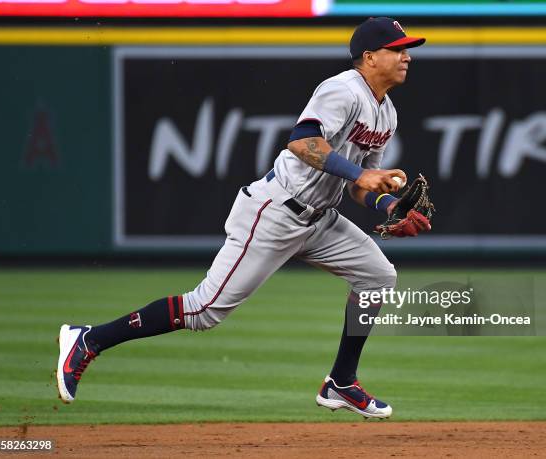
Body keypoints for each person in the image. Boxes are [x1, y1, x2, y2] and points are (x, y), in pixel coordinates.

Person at [56, 17, 428, 419]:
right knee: (203, 311)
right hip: (275, 211)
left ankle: (341, 382)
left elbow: (362, 186)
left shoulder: (386, 113)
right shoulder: (343, 89)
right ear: (370, 57)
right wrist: (361, 175)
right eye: (398, 49)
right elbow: (302, 142)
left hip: (320, 219)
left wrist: (389, 206)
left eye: (407, 49)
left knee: (378, 277)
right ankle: (89, 339)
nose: (407, 56)